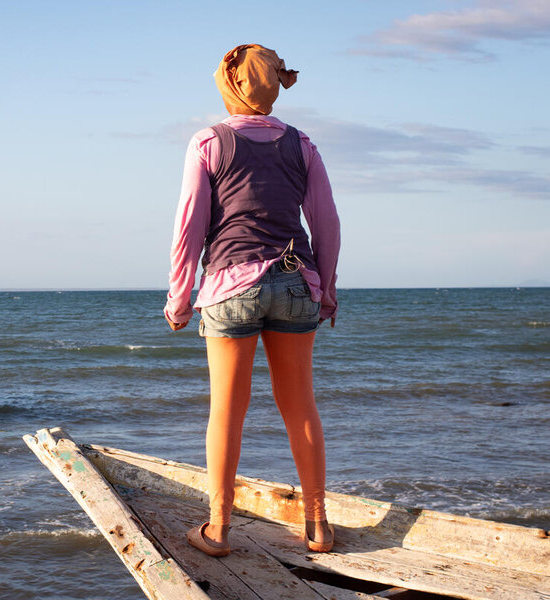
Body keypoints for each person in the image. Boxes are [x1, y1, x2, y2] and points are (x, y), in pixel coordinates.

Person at [164, 44, 340, 557]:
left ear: (231, 83)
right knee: (300, 407)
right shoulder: (302, 144)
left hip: (230, 286)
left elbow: (190, 224)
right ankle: (318, 527)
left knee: (227, 411)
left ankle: (218, 529)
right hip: (294, 280)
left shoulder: (209, 142)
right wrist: (324, 288)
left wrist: (179, 298)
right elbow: (325, 221)